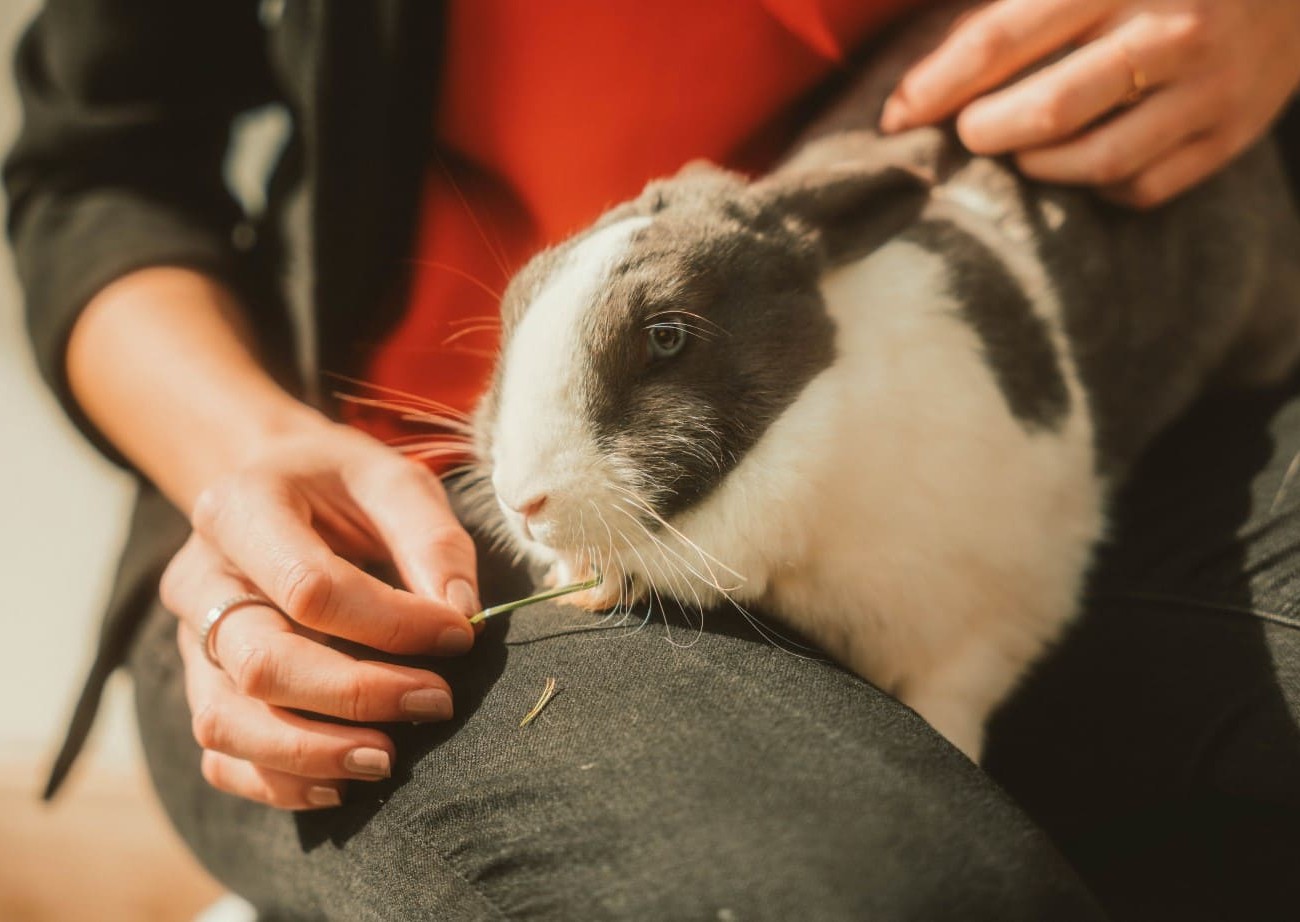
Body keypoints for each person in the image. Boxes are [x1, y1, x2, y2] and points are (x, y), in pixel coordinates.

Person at [7, 0, 1299, 918]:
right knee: (870, 891)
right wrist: (252, 445)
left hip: (1046, 411)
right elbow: (97, 162)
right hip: (422, 481)